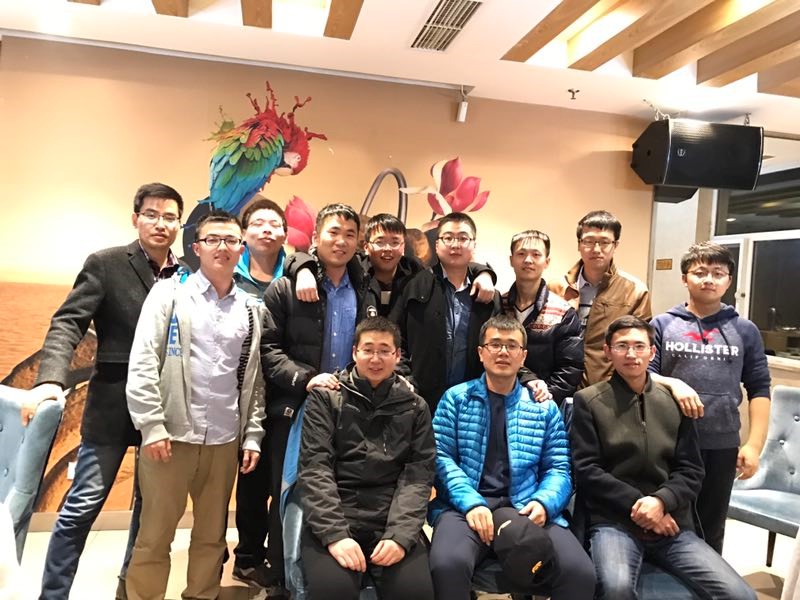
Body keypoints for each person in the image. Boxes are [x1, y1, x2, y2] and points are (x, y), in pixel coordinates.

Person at [25, 182, 184, 600]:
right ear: (135, 218)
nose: (161, 223)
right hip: (112, 404)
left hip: (164, 409)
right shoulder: (106, 263)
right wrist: (51, 378)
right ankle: (53, 595)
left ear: (179, 225)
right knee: (81, 507)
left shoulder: (187, 274)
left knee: (149, 512)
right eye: (152, 214)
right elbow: (67, 323)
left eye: (170, 217)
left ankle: (129, 590)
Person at [125, 210, 266, 600]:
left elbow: (253, 379)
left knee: (212, 536)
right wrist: (151, 425)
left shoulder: (251, 308)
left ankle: (202, 594)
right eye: (212, 239)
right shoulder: (169, 295)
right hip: (170, 437)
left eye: (231, 240)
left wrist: (252, 435)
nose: (222, 247)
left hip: (224, 439)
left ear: (242, 248)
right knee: (154, 535)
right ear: (197, 247)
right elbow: (143, 362)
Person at [570, 316, 756, 599]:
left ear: (652, 352)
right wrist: (641, 508)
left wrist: (661, 502)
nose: (631, 354)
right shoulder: (589, 401)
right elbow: (587, 470)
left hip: (671, 522)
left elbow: (691, 469)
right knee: (616, 589)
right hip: (614, 522)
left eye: (639, 346)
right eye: (621, 346)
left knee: (740, 594)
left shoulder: (677, 402)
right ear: (607, 351)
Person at [428, 314, 595, 600]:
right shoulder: (456, 398)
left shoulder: (543, 407)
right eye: (495, 344)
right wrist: (471, 503)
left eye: (512, 346)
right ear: (481, 353)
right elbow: (440, 458)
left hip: (527, 504)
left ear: (523, 356)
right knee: (447, 566)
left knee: (579, 573)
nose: (503, 352)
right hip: (465, 507)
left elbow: (559, 467)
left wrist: (544, 503)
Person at [260, 203, 369, 596]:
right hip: (296, 407)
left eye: (350, 234)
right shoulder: (286, 288)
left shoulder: (365, 289)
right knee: (289, 492)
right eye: (333, 232)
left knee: (336, 493)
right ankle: (283, 579)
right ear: (316, 236)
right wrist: (307, 379)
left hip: (349, 411)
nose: (341, 242)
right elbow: (268, 350)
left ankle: (328, 577)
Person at [297, 317, 435, 600]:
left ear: (397, 355)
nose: (375, 359)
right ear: (354, 352)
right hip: (336, 514)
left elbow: (417, 477)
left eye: (384, 351)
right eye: (368, 350)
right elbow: (315, 469)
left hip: (390, 517)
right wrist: (335, 535)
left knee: (416, 593)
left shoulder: (415, 406)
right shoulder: (326, 399)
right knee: (332, 591)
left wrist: (400, 536)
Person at [650, 242, 771, 554]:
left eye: (718, 274)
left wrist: (754, 445)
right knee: (665, 522)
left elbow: (759, 388)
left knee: (711, 528)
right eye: (700, 272)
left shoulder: (745, 330)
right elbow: (643, 375)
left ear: (729, 281)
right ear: (684, 278)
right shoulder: (662, 324)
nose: (709, 280)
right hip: (669, 441)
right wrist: (673, 384)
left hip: (721, 443)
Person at [389, 212, 504, 411]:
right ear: (436, 245)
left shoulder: (489, 295)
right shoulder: (414, 285)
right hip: (421, 398)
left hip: (474, 400)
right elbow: (395, 337)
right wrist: (404, 377)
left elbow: (500, 343)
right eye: (448, 238)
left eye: (463, 238)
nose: (455, 245)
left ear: (474, 245)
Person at [549, 210, 651, 387]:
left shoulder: (635, 291)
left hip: (608, 389)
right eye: (588, 241)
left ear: (615, 245)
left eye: (604, 242)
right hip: (558, 385)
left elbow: (638, 348)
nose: (596, 249)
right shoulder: (556, 287)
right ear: (579, 244)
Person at [502, 229, 583, 406]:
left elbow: (570, 370)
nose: (528, 260)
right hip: (500, 399)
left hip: (543, 404)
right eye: (521, 254)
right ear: (511, 260)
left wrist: (542, 399)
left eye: (536, 254)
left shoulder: (563, 312)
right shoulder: (499, 305)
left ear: (547, 262)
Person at [233, 195, 289, 297]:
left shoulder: (296, 278)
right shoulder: (228, 275)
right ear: (243, 234)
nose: (267, 230)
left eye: (275, 225)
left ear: (285, 237)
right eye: (258, 224)